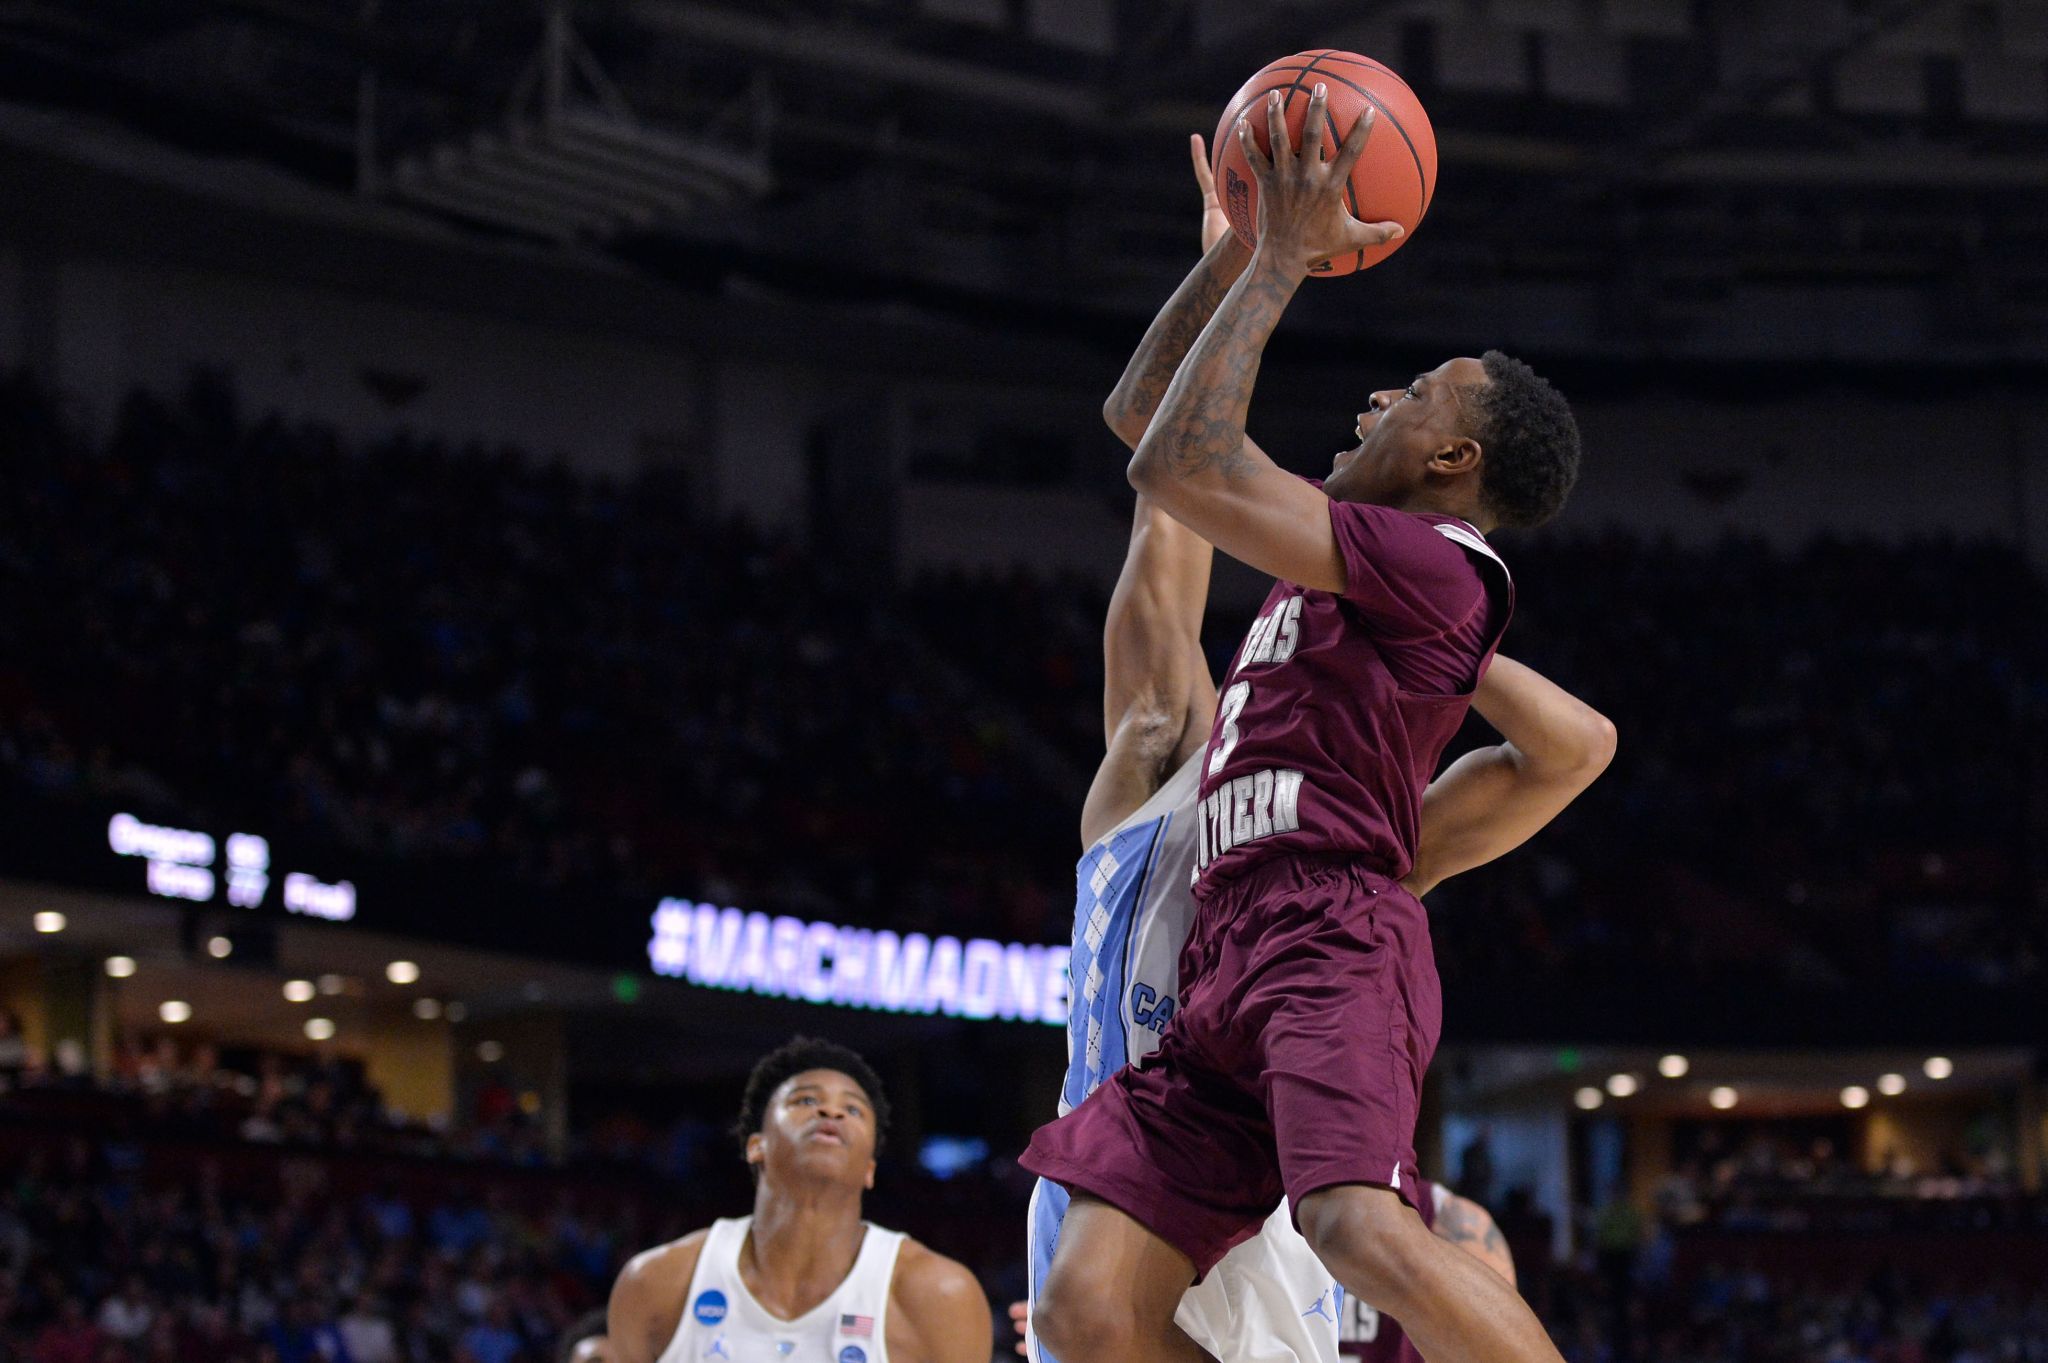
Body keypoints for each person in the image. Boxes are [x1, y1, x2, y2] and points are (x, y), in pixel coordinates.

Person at [1025, 88, 1585, 1363]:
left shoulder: (1441, 565)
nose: (1379, 394)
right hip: (1228, 956)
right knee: (1079, 1308)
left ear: (1452, 464)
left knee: (1356, 1227)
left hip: (1329, 930)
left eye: (1418, 393)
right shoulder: (1334, 567)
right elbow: (1148, 433)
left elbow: (1181, 466)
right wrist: (1224, 259)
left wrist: (1282, 257)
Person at [608, 1037, 991, 1363]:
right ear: (757, 1145)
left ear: (870, 1168)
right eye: (805, 1101)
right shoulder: (656, 1283)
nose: (831, 1111)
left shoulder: (940, 1295)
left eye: (853, 1109)